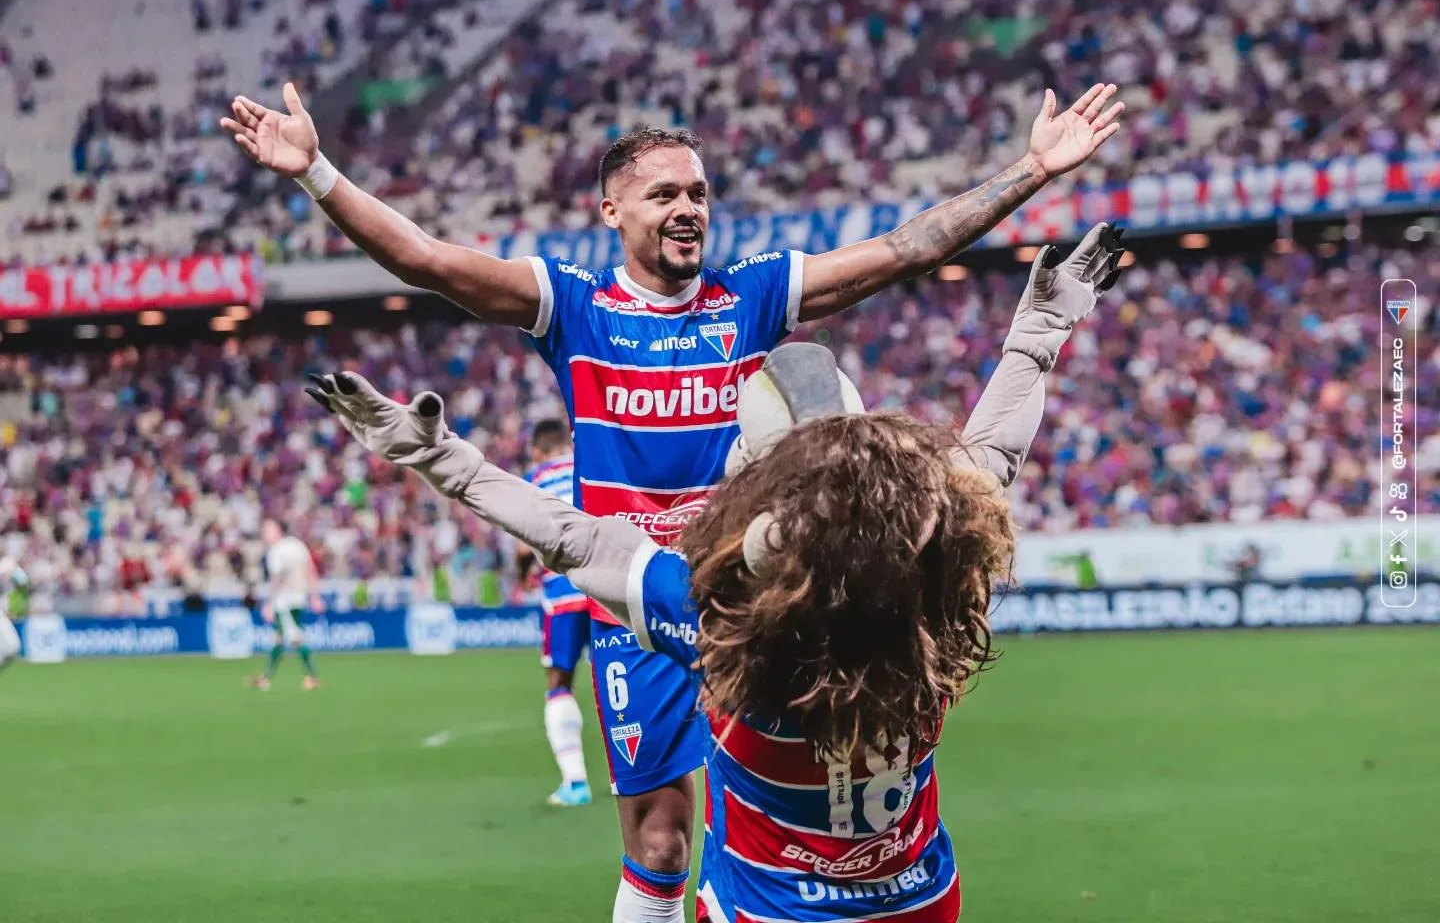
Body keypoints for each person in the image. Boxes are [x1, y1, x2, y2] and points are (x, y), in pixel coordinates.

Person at [227, 79, 1123, 922]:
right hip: (646, 601)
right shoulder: (572, 305)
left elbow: (905, 251)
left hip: (764, 597)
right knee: (661, 842)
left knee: (797, 801)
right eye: (663, 194)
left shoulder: (755, 295)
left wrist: (1033, 172)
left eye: (697, 192)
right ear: (611, 212)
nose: (688, 207)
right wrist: (315, 172)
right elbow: (426, 261)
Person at [516, 418, 594, 807]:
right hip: (604, 585)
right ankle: (638, 773)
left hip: (563, 591)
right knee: (622, 677)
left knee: (559, 682)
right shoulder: (591, 463)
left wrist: (523, 572)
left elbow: (520, 541)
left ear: (536, 450)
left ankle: (575, 783)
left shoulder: (534, 477)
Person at [250, 518, 323, 691]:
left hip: (284, 602)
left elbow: (277, 579)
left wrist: (269, 603)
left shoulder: (277, 551)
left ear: (277, 531)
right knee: (278, 638)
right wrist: (314, 596)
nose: (265, 534)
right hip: (299, 598)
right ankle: (266, 677)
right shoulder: (298, 545)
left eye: (268, 530)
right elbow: (310, 570)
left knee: (295, 638)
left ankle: (313, 676)